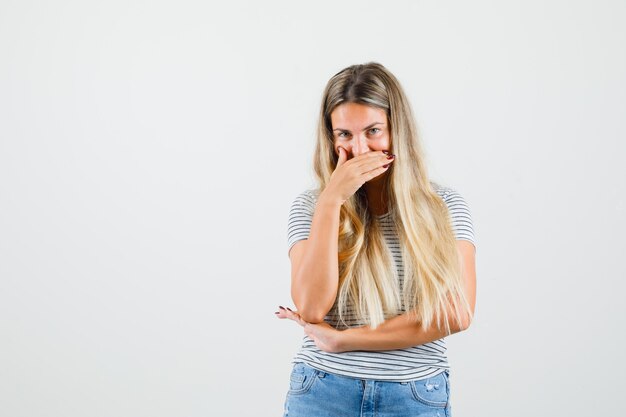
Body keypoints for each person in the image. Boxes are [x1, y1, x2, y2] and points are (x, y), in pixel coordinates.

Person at [275, 62, 476, 417]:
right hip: (324, 390)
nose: (361, 149)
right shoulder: (311, 207)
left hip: (413, 395)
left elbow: (455, 313)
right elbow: (311, 307)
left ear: (398, 130)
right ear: (330, 138)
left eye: (373, 131)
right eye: (344, 135)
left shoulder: (443, 206)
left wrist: (345, 340)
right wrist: (331, 202)